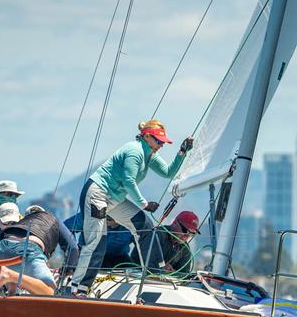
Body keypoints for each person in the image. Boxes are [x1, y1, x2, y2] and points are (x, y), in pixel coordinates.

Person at [70, 119, 194, 294]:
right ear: (147, 137)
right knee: (96, 242)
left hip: (114, 198)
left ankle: (154, 272)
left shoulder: (150, 155)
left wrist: (182, 152)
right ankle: (77, 289)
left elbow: (168, 172)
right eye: (158, 141)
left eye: (163, 142)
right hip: (98, 193)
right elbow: (129, 181)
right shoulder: (134, 151)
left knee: (144, 226)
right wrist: (144, 204)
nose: (161, 145)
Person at [0, 205, 79, 295]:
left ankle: (11, 291)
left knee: (13, 275)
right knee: (49, 291)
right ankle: (10, 275)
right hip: (28, 249)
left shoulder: (23, 221)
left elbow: (10, 246)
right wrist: (68, 269)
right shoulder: (53, 219)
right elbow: (73, 247)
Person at [133, 211, 200, 274]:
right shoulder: (156, 235)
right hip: (135, 275)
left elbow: (184, 273)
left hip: (162, 283)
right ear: (175, 223)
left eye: (192, 233)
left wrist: (172, 272)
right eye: (185, 230)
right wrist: (162, 269)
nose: (187, 236)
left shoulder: (184, 247)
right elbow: (148, 266)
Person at [63, 213, 134, 269]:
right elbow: (66, 228)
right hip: (89, 255)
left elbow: (142, 239)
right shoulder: (89, 215)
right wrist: (74, 250)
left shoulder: (131, 223)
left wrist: (136, 259)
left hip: (119, 257)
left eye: (109, 219)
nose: (106, 220)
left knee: (135, 271)